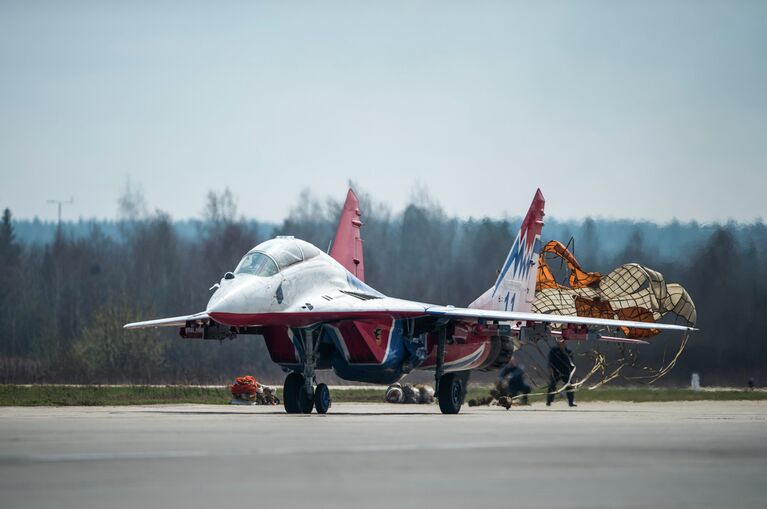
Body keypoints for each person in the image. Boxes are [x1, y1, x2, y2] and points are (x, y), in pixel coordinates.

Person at [547, 338, 576, 407]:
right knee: (552, 386)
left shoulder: (568, 351)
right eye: (561, 341)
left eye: (564, 341)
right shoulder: (554, 350)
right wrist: (551, 370)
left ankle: (571, 402)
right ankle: (549, 401)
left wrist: (571, 371)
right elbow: (550, 361)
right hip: (555, 371)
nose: (562, 342)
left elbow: (571, 363)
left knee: (569, 386)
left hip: (565, 371)